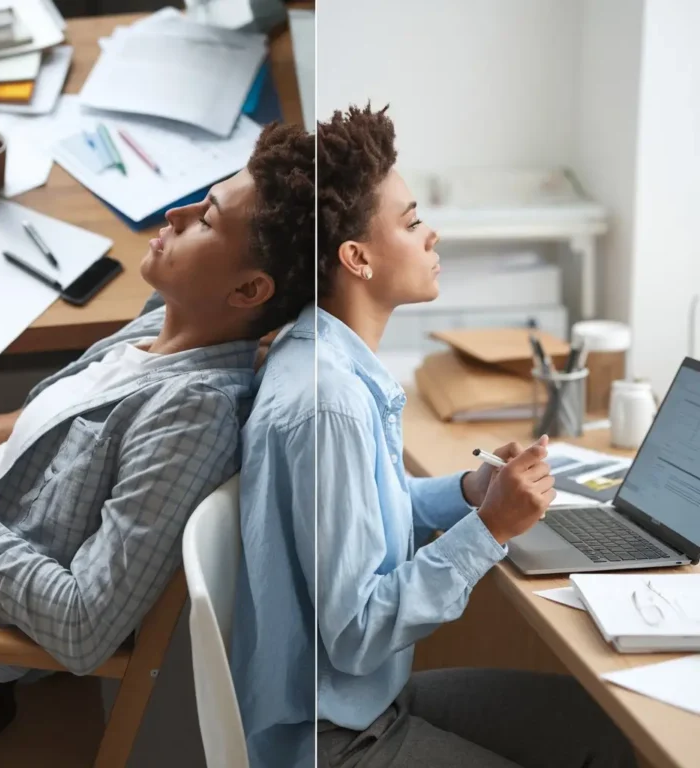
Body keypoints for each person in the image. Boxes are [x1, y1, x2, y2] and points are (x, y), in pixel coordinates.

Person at [232, 104, 636, 768]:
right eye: (412, 221)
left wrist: (472, 491)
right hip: (333, 738)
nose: (431, 234)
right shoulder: (327, 402)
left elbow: (372, 516)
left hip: (359, 703)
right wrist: (492, 529)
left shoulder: (331, 361)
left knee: (598, 730)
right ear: (356, 257)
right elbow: (358, 635)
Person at [0, 122, 315, 756]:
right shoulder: (167, 321)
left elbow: (86, 629)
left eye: (207, 220)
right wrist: (21, 422)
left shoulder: (193, 418)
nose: (178, 211)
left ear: (248, 291)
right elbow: (110, 408)